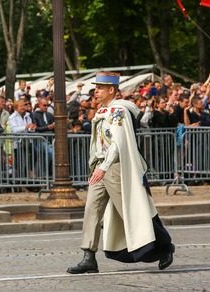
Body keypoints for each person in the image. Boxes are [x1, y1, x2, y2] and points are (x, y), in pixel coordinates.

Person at [67, 72, 175, 274]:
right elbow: (98, 143)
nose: (95, 91)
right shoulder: (103, 111)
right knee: (92, 210)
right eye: (95, 87)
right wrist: (95, 165)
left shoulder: (119, 111)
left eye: (100, 87)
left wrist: (103, 167)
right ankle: (88, 256)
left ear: (111, 90)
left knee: (131, 211)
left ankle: (164, 246)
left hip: (114, 167)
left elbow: (118, 144)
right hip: (101, 168)